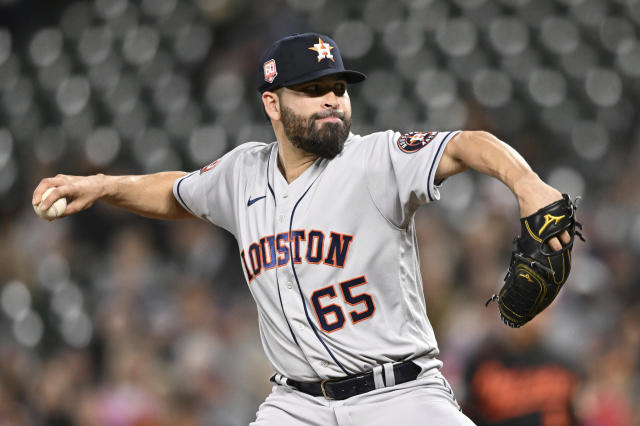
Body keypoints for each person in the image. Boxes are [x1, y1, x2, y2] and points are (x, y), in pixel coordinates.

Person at [33, 32, 570, 425]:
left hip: (400, 396)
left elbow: (464, 144)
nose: (332, 99)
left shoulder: (375, 159)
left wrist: (527, 184)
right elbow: (175, 193)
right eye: (313, 89)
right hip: (296, 405)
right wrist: (103, 185)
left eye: (338, 87)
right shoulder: (242, 171)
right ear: (273, 103)